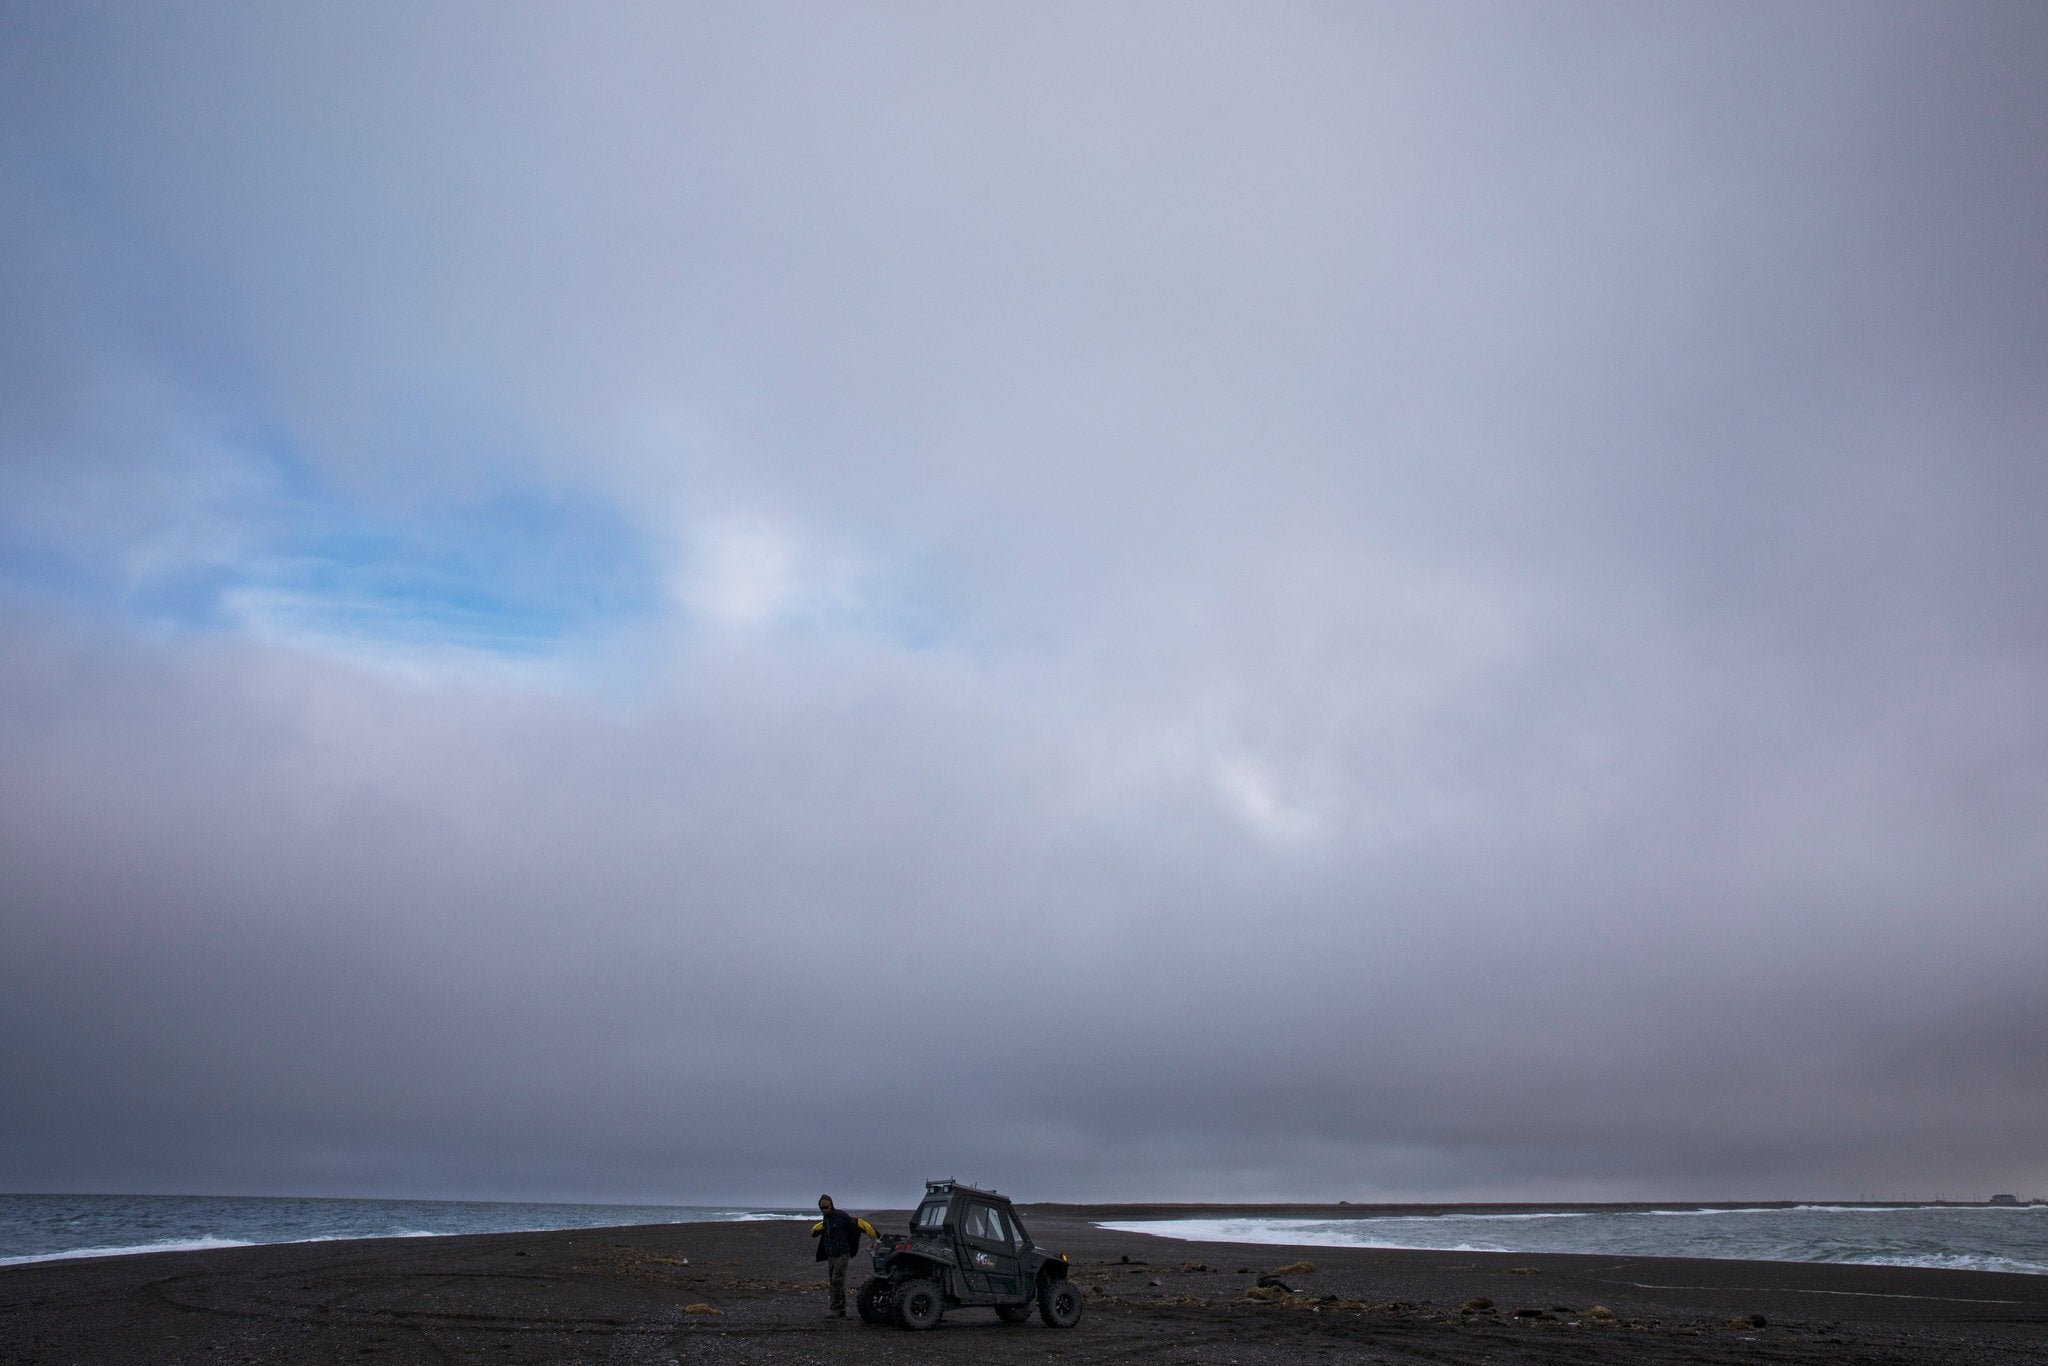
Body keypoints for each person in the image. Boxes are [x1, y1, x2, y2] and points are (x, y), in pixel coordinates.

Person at [810, 1194, 878, 1317]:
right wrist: (815, 1231)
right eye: (823, 1208)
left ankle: (836, 1309)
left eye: (827, 1207)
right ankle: (841, 1309)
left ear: (831, 1205)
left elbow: (858, 1223)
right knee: (834, 1282)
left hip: (842, 1253)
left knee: (837, 1280)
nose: (825, 1210)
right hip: (831, 1255)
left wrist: (874, 1236)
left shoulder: (841, 1216)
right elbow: (819, 1230)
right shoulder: (826, 1220)